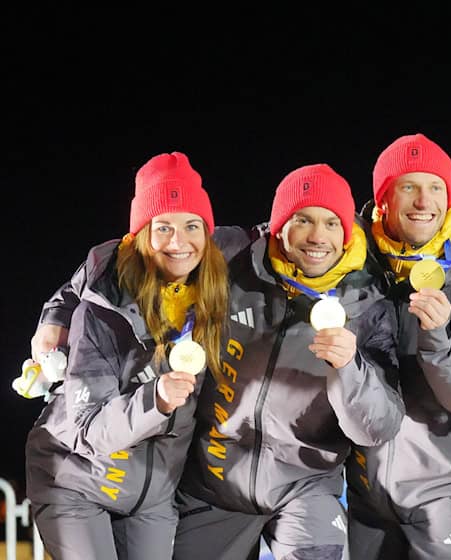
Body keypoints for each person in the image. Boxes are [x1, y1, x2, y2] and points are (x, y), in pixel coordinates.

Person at [169, 162, 405, 560]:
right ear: (279, 225)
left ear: (347, 234)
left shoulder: (369, 304)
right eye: (303, 219)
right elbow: (131, 254)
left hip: (306, 487)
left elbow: (380, 426)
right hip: (215, 485)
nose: (318, 236)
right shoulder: (232, 257)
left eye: (332, 223)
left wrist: (350, 370)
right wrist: (57, 316)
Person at [24, 151, 230, 560]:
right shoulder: (101, 311)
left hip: (151, 498)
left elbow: (284, 233)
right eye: (163, 227)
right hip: (76, 481)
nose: (179, 242)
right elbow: (87, 431)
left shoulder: (215, 291)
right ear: (139, 236)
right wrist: (155, 400)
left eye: (192, 226)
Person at [346, 133, 451, 558]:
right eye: (409, 187)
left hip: (450, 488)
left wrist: (440, 339)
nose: (424, 201)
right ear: (382, 199)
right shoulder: (352, 265)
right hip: (367, 491)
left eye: (435, 187)